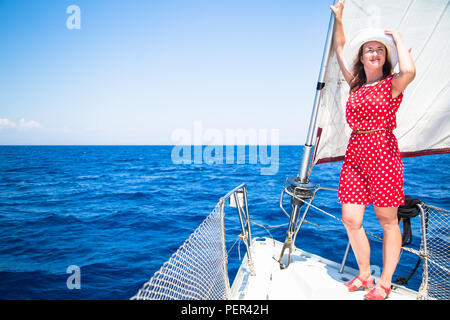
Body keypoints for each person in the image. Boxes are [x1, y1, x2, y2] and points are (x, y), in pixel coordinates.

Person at [330, 0, 416, 300]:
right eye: (370, 49)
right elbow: (340, 49)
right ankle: (364, 274)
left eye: (380, 49)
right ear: (362, 57)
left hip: (383, 152)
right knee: (351, 219)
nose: (375, 53)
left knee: (387, 220)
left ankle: (385, 282)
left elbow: (410, 71)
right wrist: (339, 19)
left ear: (385, 57)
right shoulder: (356, 85)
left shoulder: (392, 84)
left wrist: (399, 41)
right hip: (355, 153)